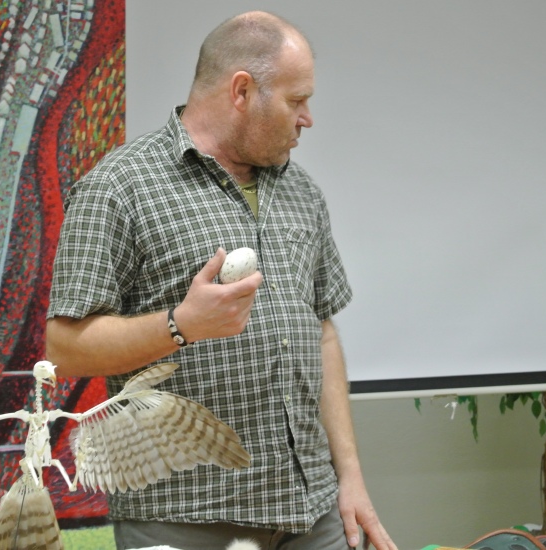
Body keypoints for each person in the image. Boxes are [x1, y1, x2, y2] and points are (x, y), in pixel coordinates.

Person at [46, 10, 397, 550]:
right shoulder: (118, 188)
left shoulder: (301, 191)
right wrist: (180, 325)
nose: (307, 118)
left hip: (312, 507)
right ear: (242, 91)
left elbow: (321, 333)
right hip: (185, 516)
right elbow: (64, 348)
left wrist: (349, 477)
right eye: (296, 100)